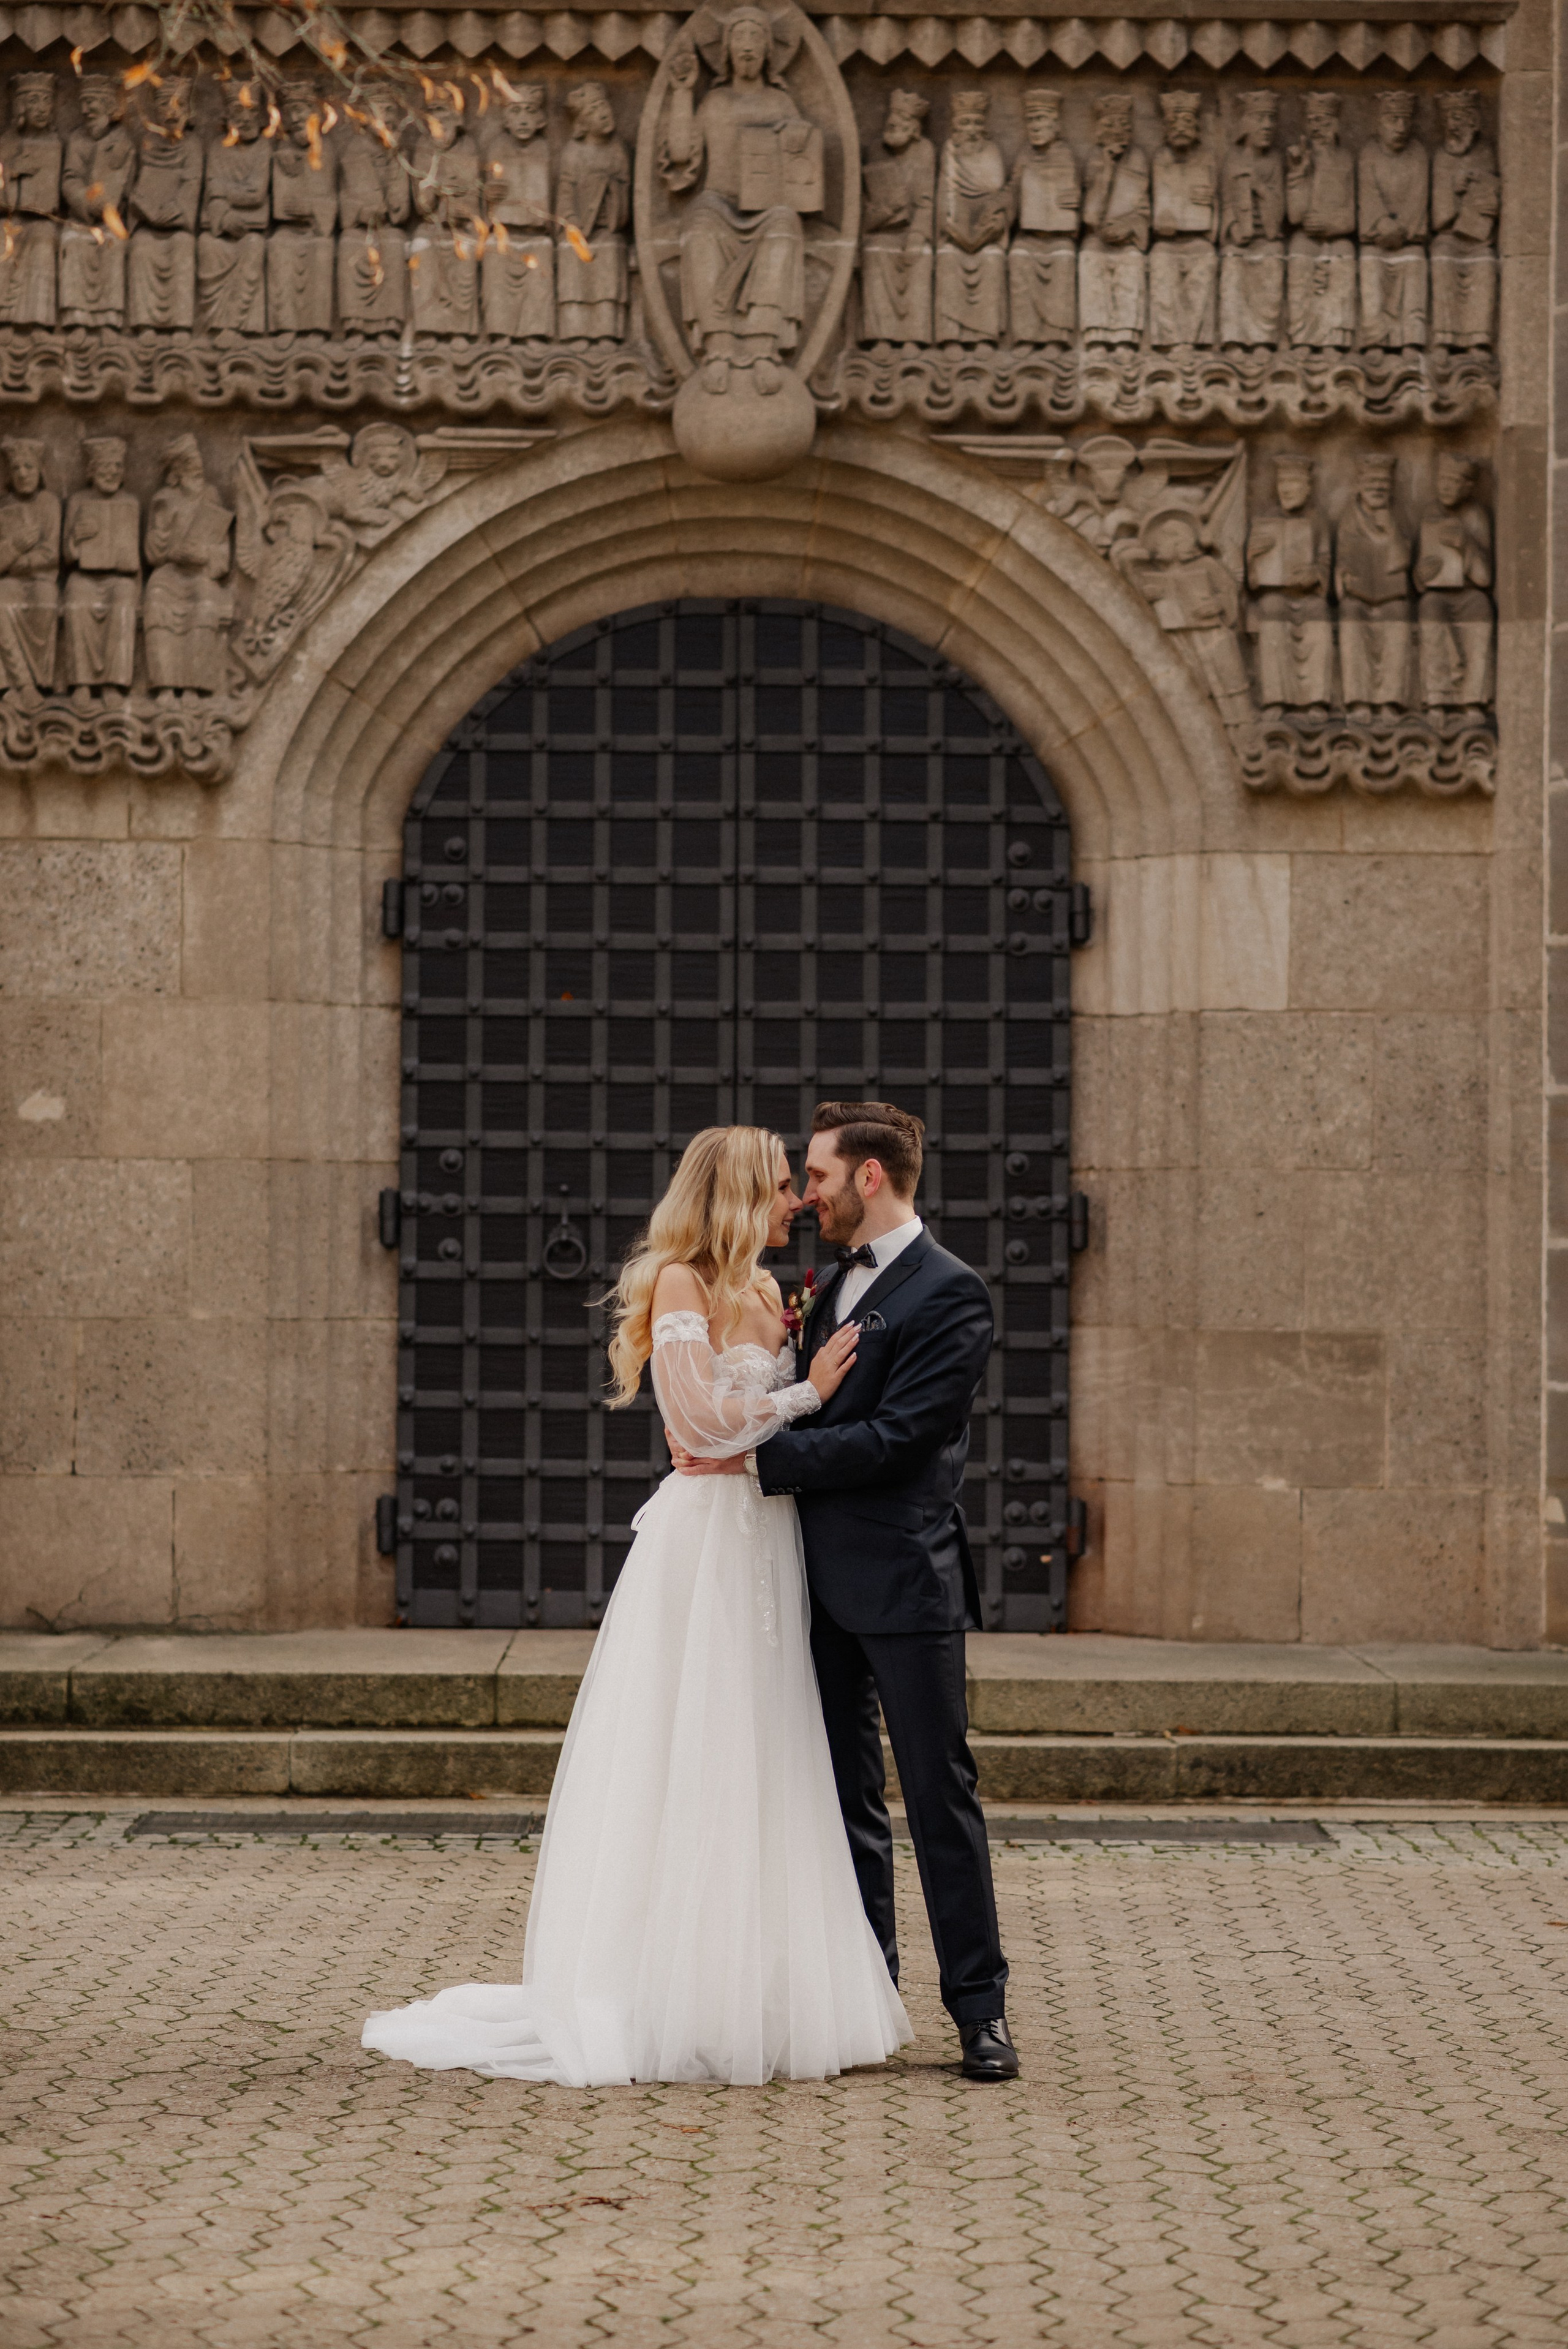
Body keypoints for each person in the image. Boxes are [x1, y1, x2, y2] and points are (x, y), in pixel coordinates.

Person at [363, 1126, 908, 2086]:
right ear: (739, 1191)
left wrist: (761, 1426)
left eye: (798, 1185)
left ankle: (758, 1989)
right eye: (782, 1188)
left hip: (767, 1540)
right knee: (686, 1740)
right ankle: (664, 1988)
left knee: (767, 1745)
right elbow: (693, 1422)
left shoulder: (773, 1294)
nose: (796, 1204)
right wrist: (803, 1398)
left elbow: (717, 1432)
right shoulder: (680, 1283)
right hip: (702, 1543)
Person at [668, 1101, 1017, 2083]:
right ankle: (868, 2001)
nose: (805, 1191)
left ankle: (979, 2011)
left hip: (905, 1585)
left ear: (870, 1178)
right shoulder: (815, 1290)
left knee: (939, 1800)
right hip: (805, 1585)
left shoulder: (953, 1293)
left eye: (817, 1175)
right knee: (839, 1802)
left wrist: (758, 1453)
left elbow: (904, 1440)